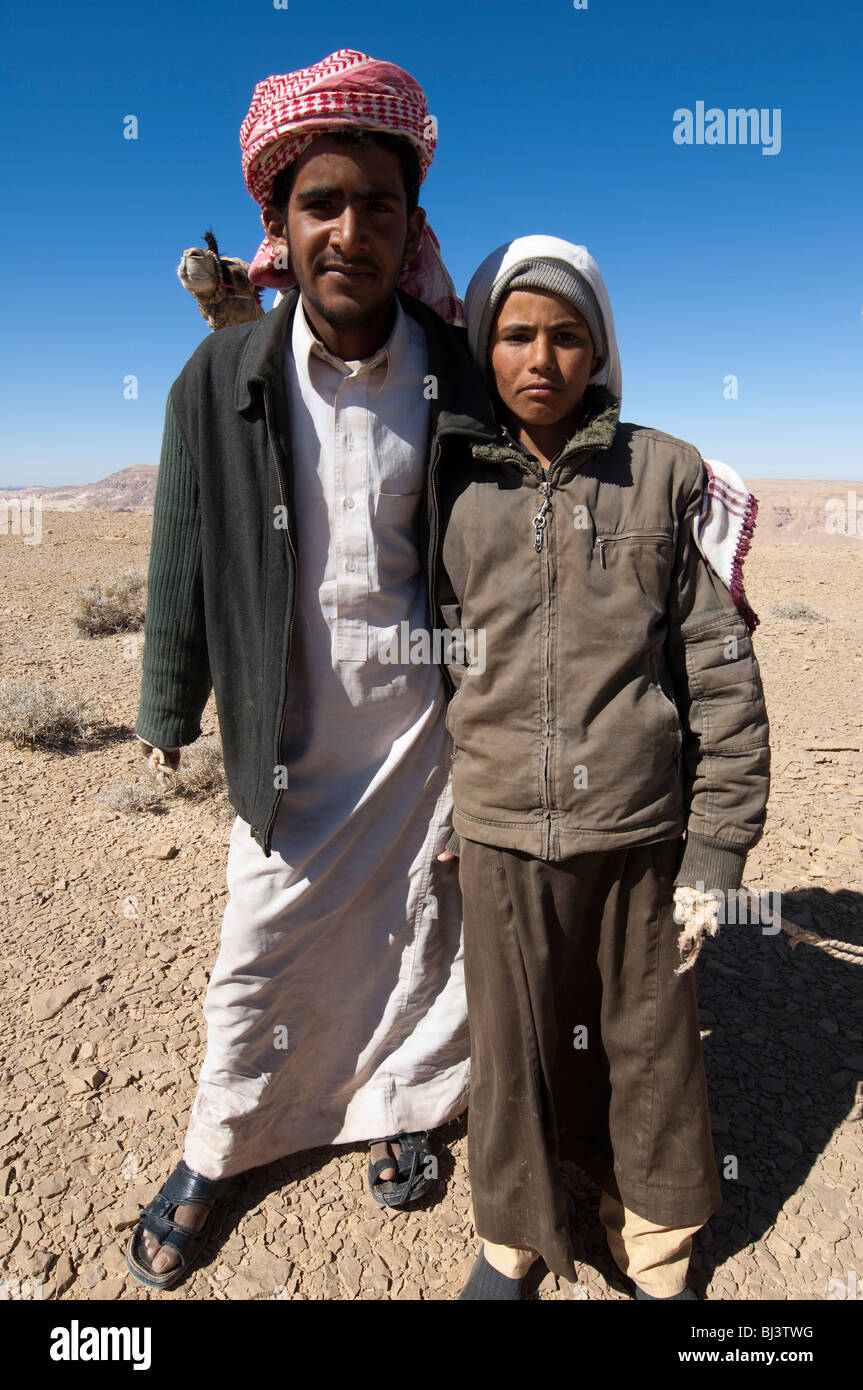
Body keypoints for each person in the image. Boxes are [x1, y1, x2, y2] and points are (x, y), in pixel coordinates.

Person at [126, 49, 496, 1290]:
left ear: (411, 224)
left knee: (419, 935)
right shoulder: (220, 375)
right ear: (278, 222)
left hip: (424, 737)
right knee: (260, 949)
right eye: (320, 204)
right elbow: (181, 539)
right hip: (287, 741)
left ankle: (399, 1098)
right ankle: (217, 1146)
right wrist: (167, 698)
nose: (351, 229)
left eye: (377, 205)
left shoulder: (456, 373)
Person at [429, 236, 770, 1300]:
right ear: (484, 346)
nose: (542, 356)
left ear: (600, 347)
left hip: (636, 829)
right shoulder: (445, 483)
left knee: (648, 1039)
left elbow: (718, 668)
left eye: (567, 334)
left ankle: (656, 1239)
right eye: (517, 333)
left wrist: (715, 851)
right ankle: (514, 1238)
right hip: (495, 829)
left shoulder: (662, 473)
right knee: (512, 1045)